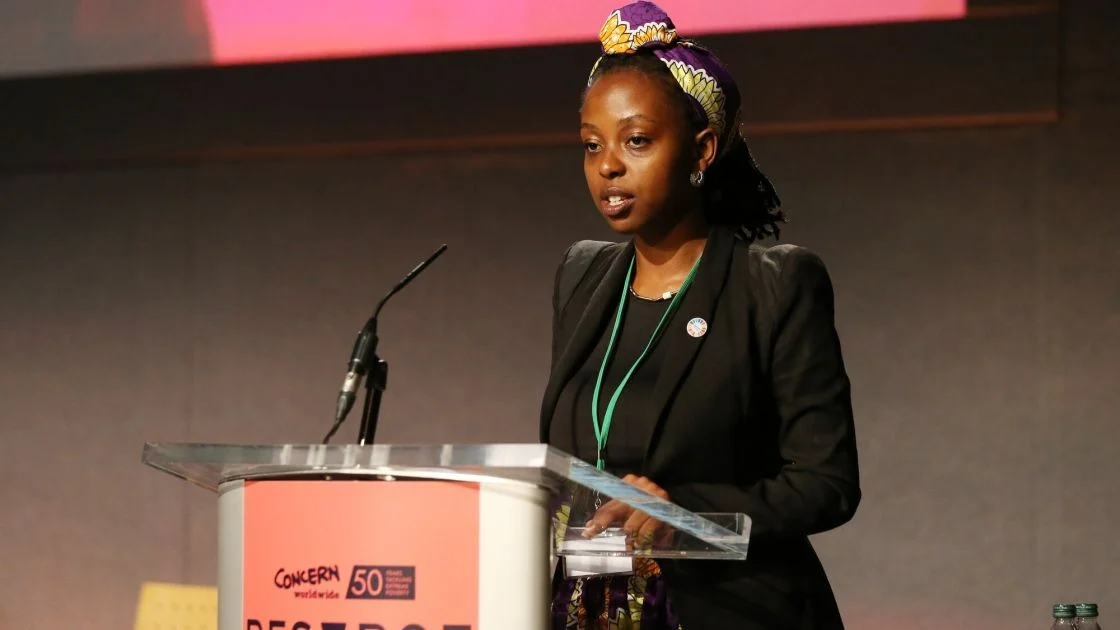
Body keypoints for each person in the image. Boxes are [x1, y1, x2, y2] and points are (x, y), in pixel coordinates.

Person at [539, 2, 861, 629]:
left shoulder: (774, 284)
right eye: (590, 145)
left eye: (636, 141)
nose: (607, 165)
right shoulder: (582, 274)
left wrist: (686, 511)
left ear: (702, 148)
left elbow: (826, 483)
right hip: (593, 611)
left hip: (728, 609)